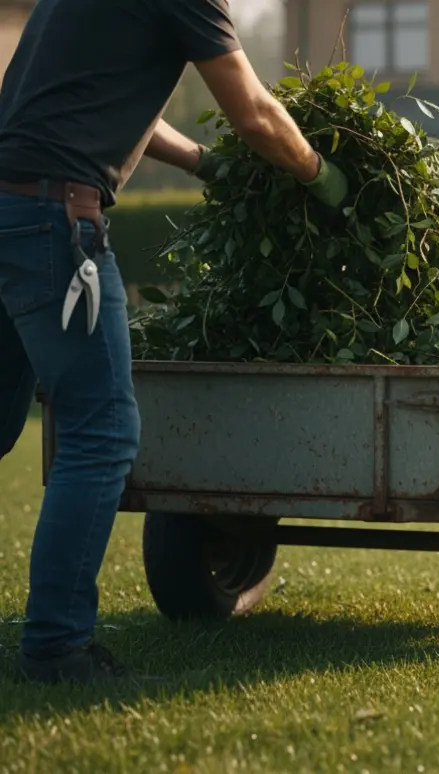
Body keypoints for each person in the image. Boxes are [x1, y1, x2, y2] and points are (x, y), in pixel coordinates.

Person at [0, 0, 348, 685]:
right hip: (53, 220)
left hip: (7, 206)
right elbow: (251, 109)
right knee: (102, 430)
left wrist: (201, 163)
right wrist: (319, 173)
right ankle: (57, 646)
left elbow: (99, 98)